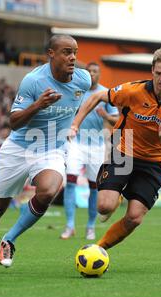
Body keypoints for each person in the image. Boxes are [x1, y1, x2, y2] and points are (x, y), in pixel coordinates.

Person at [0, 34, 91, 272]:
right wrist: (38, 105)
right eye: (66, 52)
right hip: (18, 148)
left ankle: (9, 239)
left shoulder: (83, 80)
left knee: (49, 190)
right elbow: (14, 122)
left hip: (52, 150)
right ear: (51, 53)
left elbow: (91, 101)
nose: (72, 57)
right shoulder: (33, 81)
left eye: (75, 52)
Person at [69, 47, 161, 251]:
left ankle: (97, 250)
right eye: (158, 73)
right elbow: (97, 97)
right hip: (123, 151)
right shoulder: (133, 91)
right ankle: (115, 196)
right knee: (104, 206)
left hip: (153, 162)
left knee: (134, 218)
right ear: (152, 70)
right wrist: (75, 124)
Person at [61, 62, 119, 240]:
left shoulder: (105, 93)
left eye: (95, 71)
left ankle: (90, 226)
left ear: (99, 74)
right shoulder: (76, 91)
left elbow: (116, 119)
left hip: (97, 145)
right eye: (89, 71)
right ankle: (70, 225)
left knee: (94, 187)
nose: (92, 74)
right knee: (70, 182)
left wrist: (106, 116)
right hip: (76, 144)